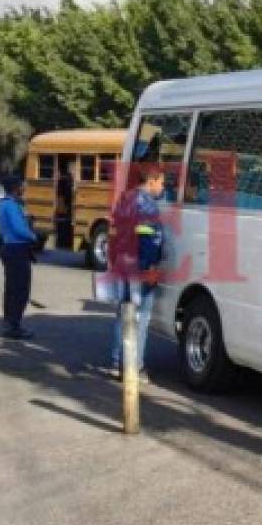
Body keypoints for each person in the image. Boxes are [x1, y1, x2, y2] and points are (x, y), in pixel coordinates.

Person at [108, 163, 166, 381]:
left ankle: (116, 362)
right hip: (140, 267)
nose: (162, 188)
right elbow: (147, 239)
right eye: (161, 183)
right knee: (140, 318)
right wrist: (150, 266)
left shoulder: (125, 199)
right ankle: (135, 366)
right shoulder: (148, 205)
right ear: (151, 181)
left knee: (123, 314)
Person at [0, 175, 38, 340]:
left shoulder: (2, 205)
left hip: (8, 247)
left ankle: (9, 322)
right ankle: (14, 325)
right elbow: (19, 228)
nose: (24, 188)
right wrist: (33, 236)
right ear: (15, 188)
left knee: (11, 288)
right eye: (22, 185)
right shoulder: (12, 206)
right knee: (20, 289)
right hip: (17, 249)